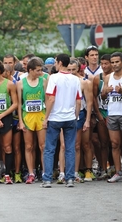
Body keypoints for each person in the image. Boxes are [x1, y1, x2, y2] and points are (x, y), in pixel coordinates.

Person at [42, 54, 82, 188]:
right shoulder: (75, 79)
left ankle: (47, 179)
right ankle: (70, 179)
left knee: (49, 149)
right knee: (70, 149)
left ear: (59, 63)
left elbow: (51, 99)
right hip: (70, 117)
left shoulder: (53, 78)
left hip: (55, 117)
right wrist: (75, 116)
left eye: (55, 62)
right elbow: (78, 101)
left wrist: (46, 117)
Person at [17, 58, 48, 184]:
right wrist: (20, 121)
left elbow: (47, 100)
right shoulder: (20, 83)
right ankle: (31, 173)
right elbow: (19, 104)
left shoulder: (44, 81)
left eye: (41, 70)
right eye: (38, 70)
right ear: (30, 70)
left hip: (40, 116)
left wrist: (47, 118)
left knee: (43, 146)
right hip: (27, 117)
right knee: (29, 146)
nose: (40, 73)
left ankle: (45, 172)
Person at [100, 52, 122, 183]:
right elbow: (102, 96)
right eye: (112, 62)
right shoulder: (108, 77)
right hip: (112, 113)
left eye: (117, 62)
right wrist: (105, 91)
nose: (114, 65)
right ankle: (118, 172)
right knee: (114, 144)